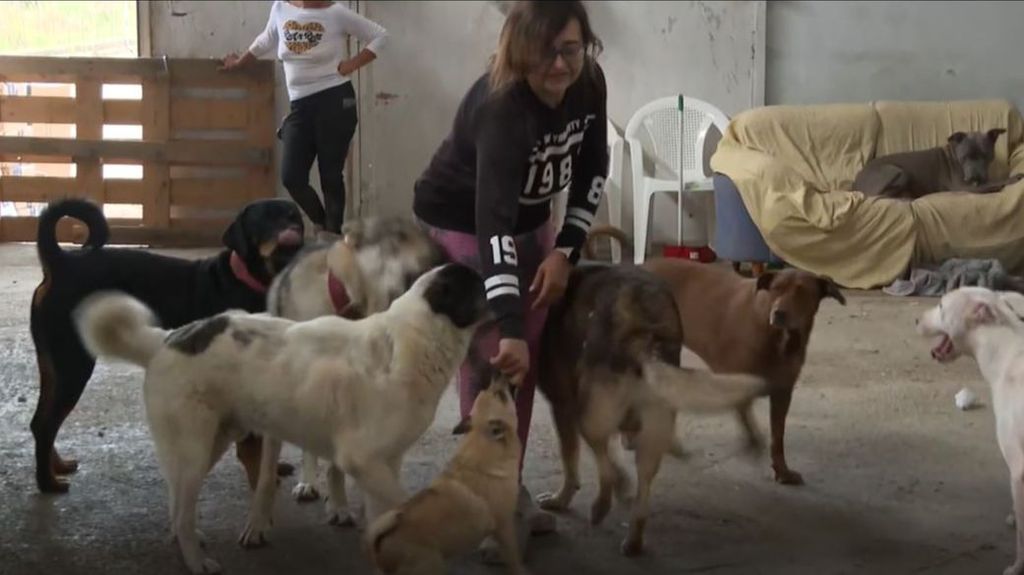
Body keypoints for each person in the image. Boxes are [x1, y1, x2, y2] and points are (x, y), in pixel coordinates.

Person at [412, 0, 607, 559]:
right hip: (462, 217)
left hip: (531, 217)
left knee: (530, 346)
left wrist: (565, 252)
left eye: (570, 49)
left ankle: (502, 489)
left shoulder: (589, 81)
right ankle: (492, 503)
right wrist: (509, 323)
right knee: (500, 354)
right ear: (517, 52)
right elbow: (490, 224)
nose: (559, 67)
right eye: (543, 53)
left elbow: (593, 171)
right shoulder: (501, 107)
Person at [221, 0, 387, 235]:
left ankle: (332, 234)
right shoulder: (280, 7)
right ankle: (322, 223)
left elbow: (380, 36)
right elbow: (267, 38)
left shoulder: (335, 12)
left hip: (335, 100)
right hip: (300, 106)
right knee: (292, 177)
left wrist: (349, 66)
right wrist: (240, 62)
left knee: (330, 174)